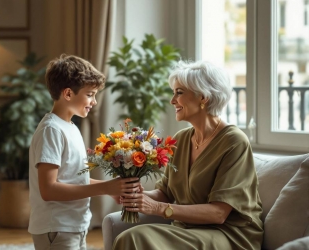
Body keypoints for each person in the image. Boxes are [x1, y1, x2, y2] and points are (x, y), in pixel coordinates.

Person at [114, 60, 263, 250]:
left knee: (134, 238)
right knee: (129, 237)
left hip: (228, 234)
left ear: (203, 97)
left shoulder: (234, 142)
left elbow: (219, 213)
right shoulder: (182, 139)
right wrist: (136, 194)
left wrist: (157, 209)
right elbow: (165, 193)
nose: (172, 100)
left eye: (179, 92)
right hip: (188, 229)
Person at [28, 54, 140, 250]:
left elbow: (71, 179)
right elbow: (48, 189)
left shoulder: (70, 127)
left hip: (74, 225)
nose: (94, 101)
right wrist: (105, 188)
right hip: (56, 228)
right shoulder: (51, 130)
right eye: (90, 94)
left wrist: (111, 188)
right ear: (68, 94)